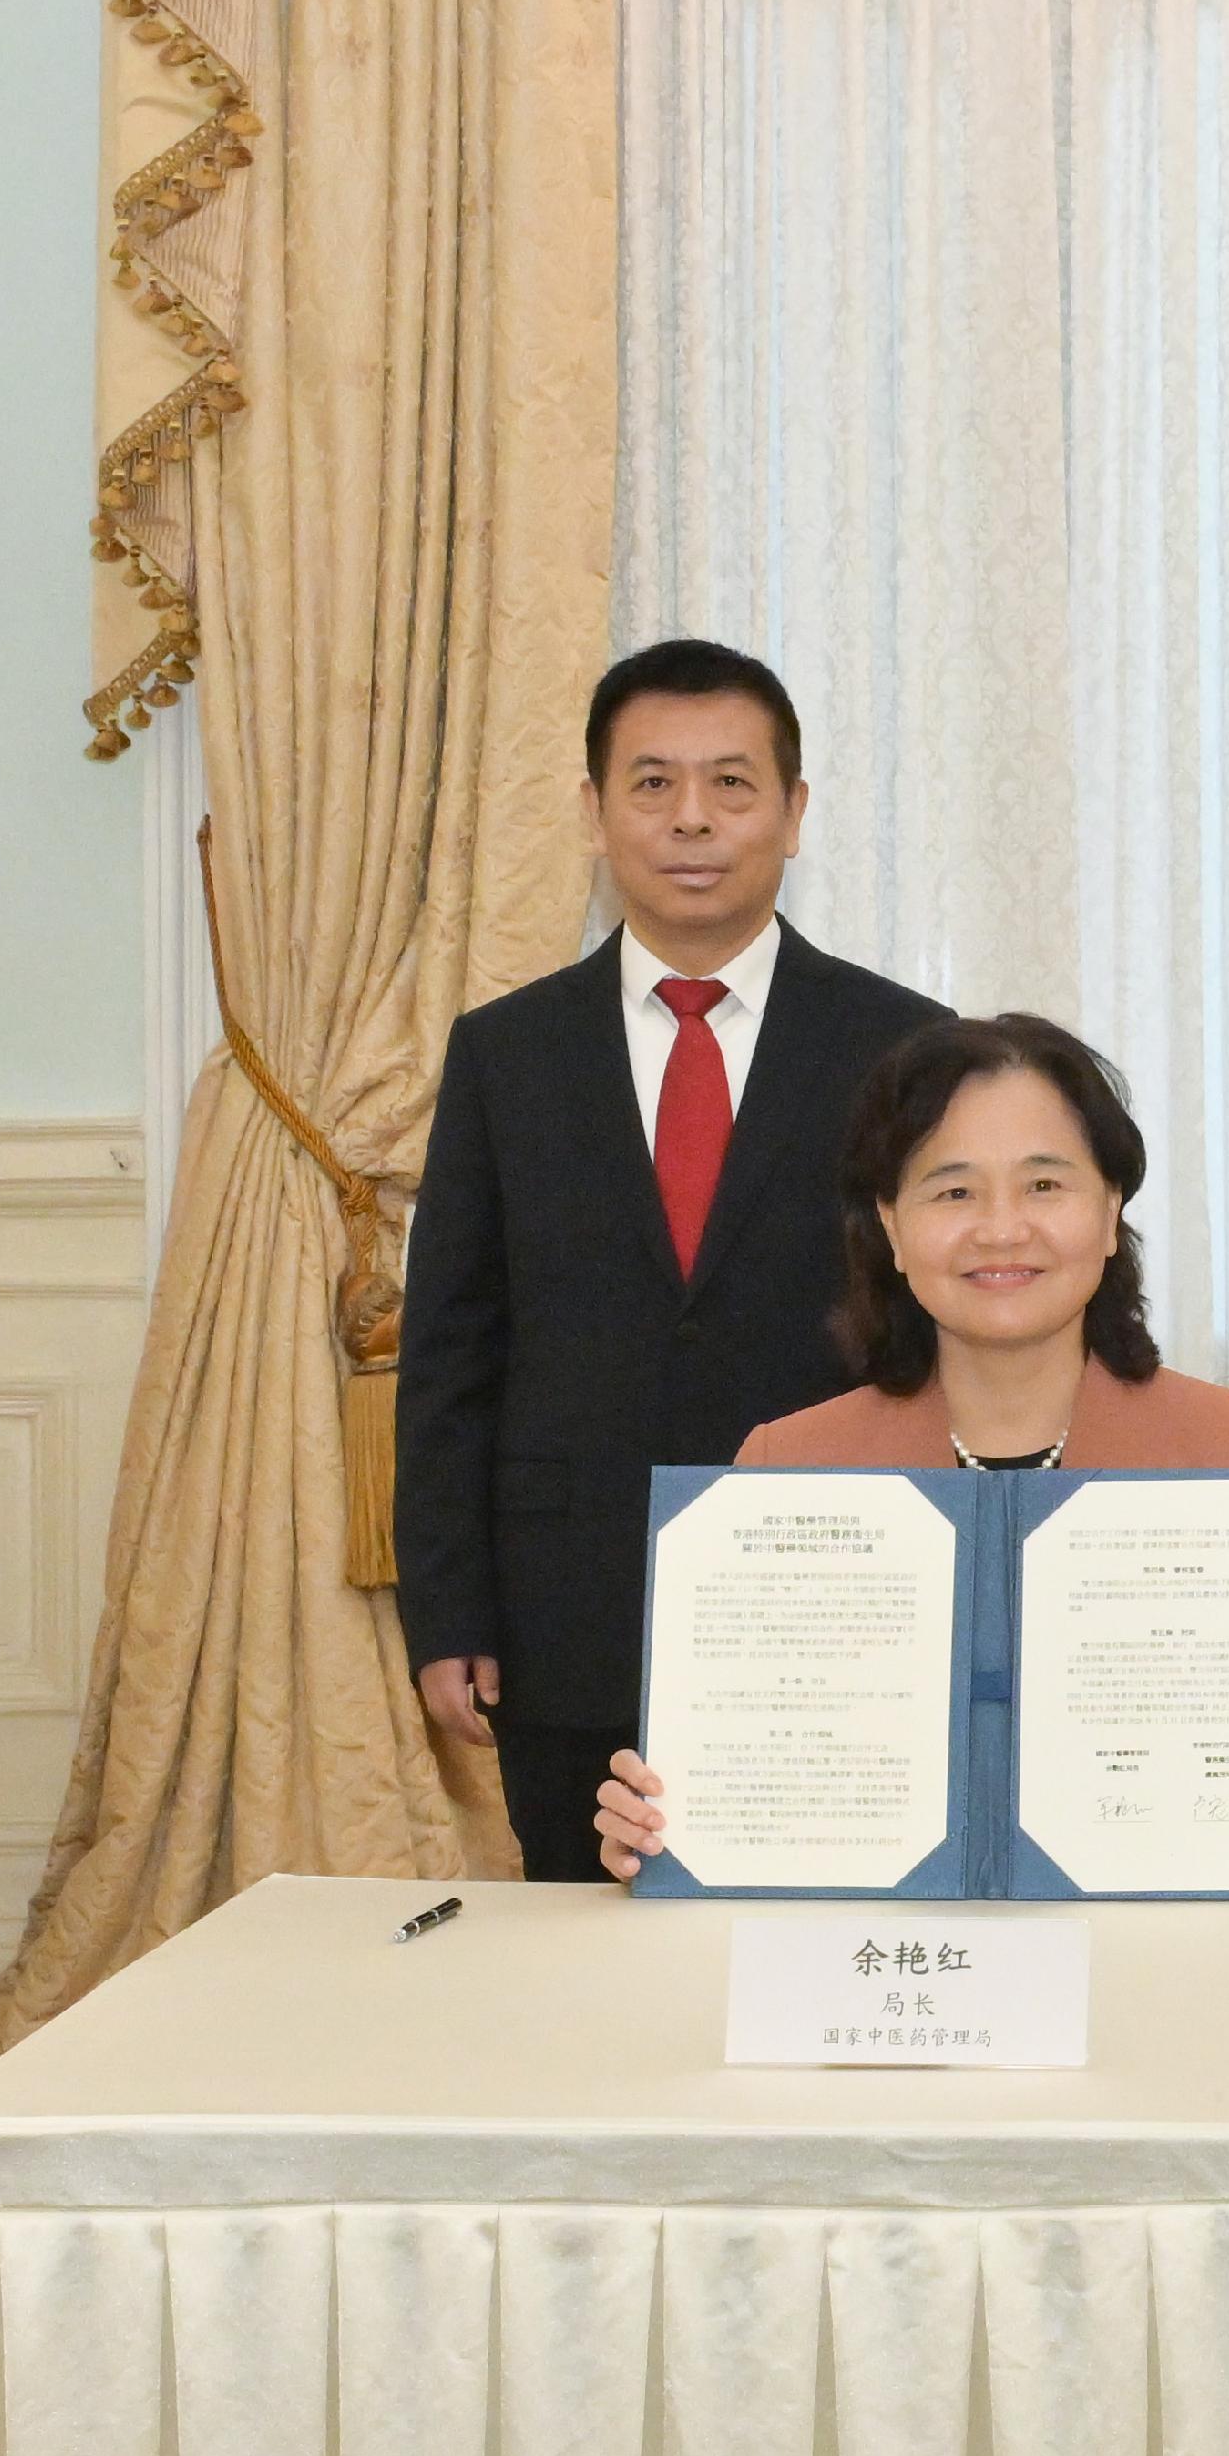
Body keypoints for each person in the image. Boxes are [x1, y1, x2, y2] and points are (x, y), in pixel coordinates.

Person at [596, 1013, 1229, 1885]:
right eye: (953, 1191)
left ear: (1110, 1207)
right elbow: (740, 1749)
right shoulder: (787, 1464)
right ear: (890, 1226)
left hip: (1166, 1960)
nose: (1003, 1228)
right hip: (886, 1981)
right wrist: (660, 1816)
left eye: (1045, 1185)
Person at [399, 638, 950, 1884]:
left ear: (795, 812)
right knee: (588, 1967)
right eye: (651, 784)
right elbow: (449, 1353)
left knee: (820, 1934)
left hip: (840, 1589)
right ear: (593, 813)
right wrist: (450, 1609)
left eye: (732, 784)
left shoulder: (907, 1047)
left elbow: (948, 1331)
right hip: (569, 1605)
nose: (691, 819)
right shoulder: (507, 1053)